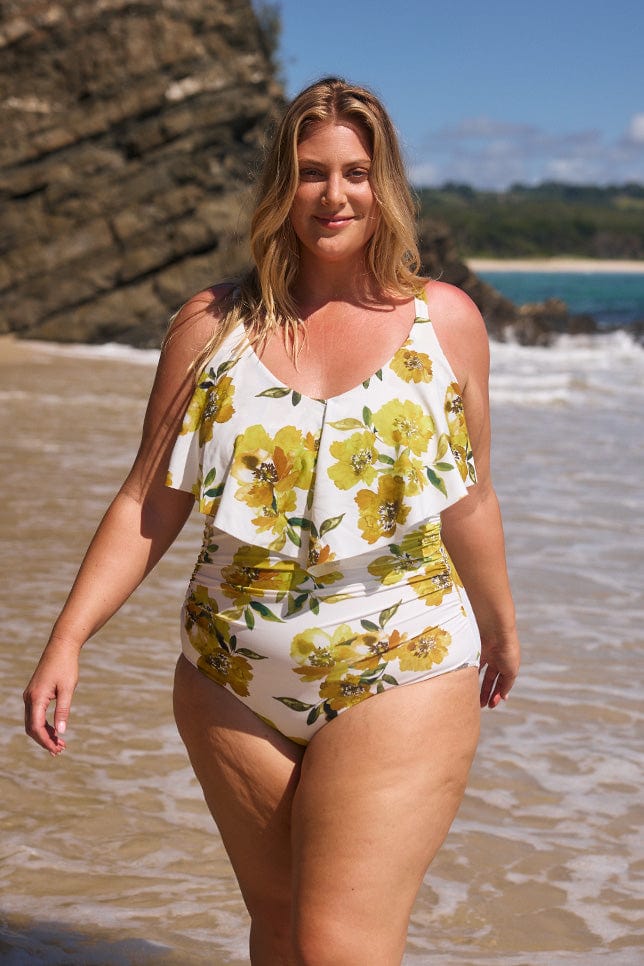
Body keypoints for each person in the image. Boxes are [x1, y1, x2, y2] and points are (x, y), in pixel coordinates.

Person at [24, 77, 520, 965]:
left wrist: (500, 624)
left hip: (398, 662)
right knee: (284, 934)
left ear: (386, 184)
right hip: (229, 679)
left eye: (357, 173)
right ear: (278, 185)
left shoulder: (443, 323)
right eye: (310, 172)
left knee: (339, 945)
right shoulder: (209, 328)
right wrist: (69, 640)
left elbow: (471, 495)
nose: (335, 195)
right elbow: (149, 496)